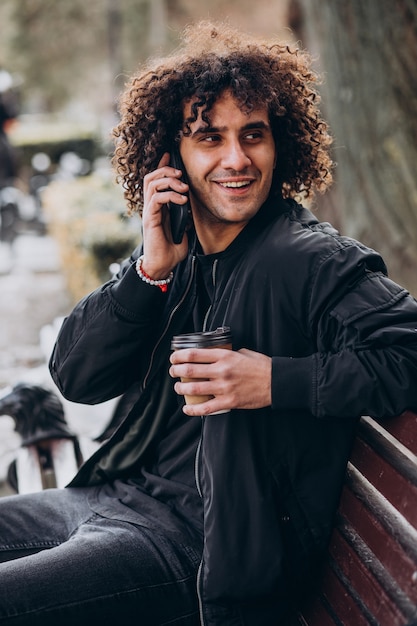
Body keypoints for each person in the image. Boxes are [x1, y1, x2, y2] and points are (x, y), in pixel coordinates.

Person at [0, 20, 416, 626]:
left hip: (190, 548)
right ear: (171, 157)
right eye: (209, 138)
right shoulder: (176, 250)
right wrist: (146, 275)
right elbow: (75, 375)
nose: (236, 158)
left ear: (282, 147)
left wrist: (274, 380)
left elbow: (406, 350)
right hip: (109, 497)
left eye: (254, 136)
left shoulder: (306, 259)